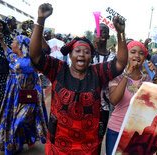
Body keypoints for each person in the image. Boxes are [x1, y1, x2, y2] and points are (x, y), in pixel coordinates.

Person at [29, 3, 128, 154]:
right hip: (59, 143)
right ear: (70, 55)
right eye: (78, 51)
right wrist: (40, 19)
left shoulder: (98, 73)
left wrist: (121, 33)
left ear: (91, 57)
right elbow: (35, 55)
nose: (82, 54)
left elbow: (120, 63)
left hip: (89, 144)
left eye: (86, 52)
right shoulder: (57, 69)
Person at [0, 34, 48, 154]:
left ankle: (29, 136)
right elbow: (7, 51)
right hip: (13, 96)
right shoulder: (14, 58)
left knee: (21, 120)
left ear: (21, 45)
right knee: (12, 121)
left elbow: (45, 52)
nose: (12, 44)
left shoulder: (32, 60)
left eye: (14, 42)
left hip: (28, 96)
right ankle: (17, 145)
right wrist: (1, 41)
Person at [106, 41, 157, 155]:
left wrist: (155, 76)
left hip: (138, 133)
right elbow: (114, 100)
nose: (137, 55)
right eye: (133, 52)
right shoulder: (117, 76)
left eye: (141, 53)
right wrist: (128, 73)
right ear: (126, 55)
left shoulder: (147, 78)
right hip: (116, 130)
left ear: (144, 58)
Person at [92, 23, 117, 140]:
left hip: (104, 106)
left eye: (104, 32)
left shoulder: (113, 58)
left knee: (99, 137)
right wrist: (93, 47)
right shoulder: (87, 53)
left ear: (108, 36)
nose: (101, 34)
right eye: (97, 31)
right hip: (86, 103)